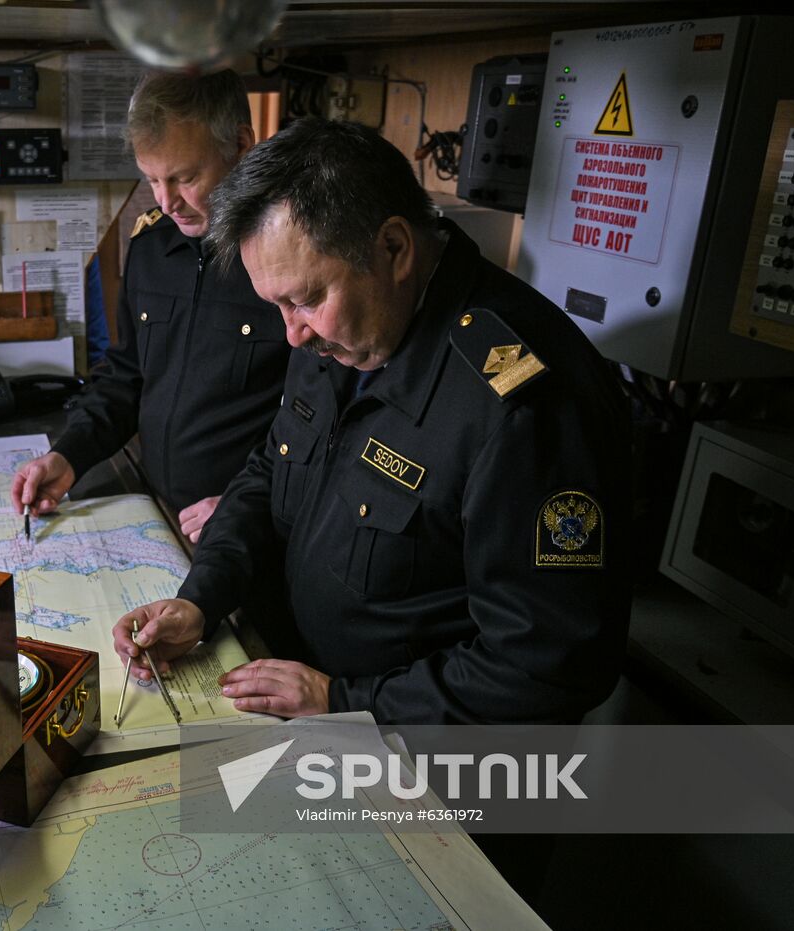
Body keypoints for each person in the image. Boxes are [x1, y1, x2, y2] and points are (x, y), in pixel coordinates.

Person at [113, 117, 632, 726]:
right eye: (276, 304)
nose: (291, 332)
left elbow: (551, 664)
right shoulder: (343, 334)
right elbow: (270, 471)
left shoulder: (527, 406)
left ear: (393, 249)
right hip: (307, 692)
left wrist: (348, 704)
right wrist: (201, 599)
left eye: (305, 299)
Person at [12, 70, 291, 543]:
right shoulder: (152, 247)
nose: (167, 201)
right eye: (152, 179)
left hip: (252, 526)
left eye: (184, 178)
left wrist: (257, 498)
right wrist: (68, 455)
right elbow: (126, 378)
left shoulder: (290, 258)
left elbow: (324, 418)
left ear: (242, 145)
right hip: (161, 517)